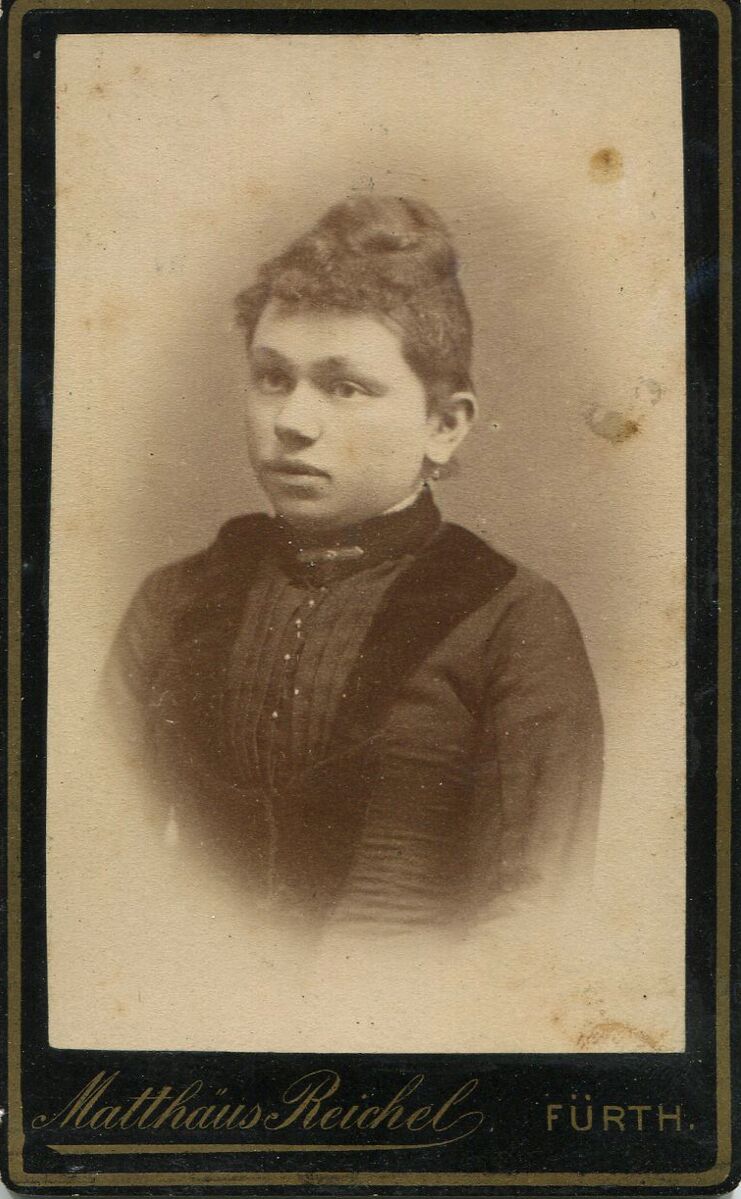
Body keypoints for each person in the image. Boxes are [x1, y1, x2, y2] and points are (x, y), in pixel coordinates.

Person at [106, 194, 603, 936]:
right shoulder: (178, 598)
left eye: (344, 387)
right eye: (273, 378)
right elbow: (94, 856)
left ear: (444, 424)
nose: (291, 422)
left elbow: (537, 921)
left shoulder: (510, 618)